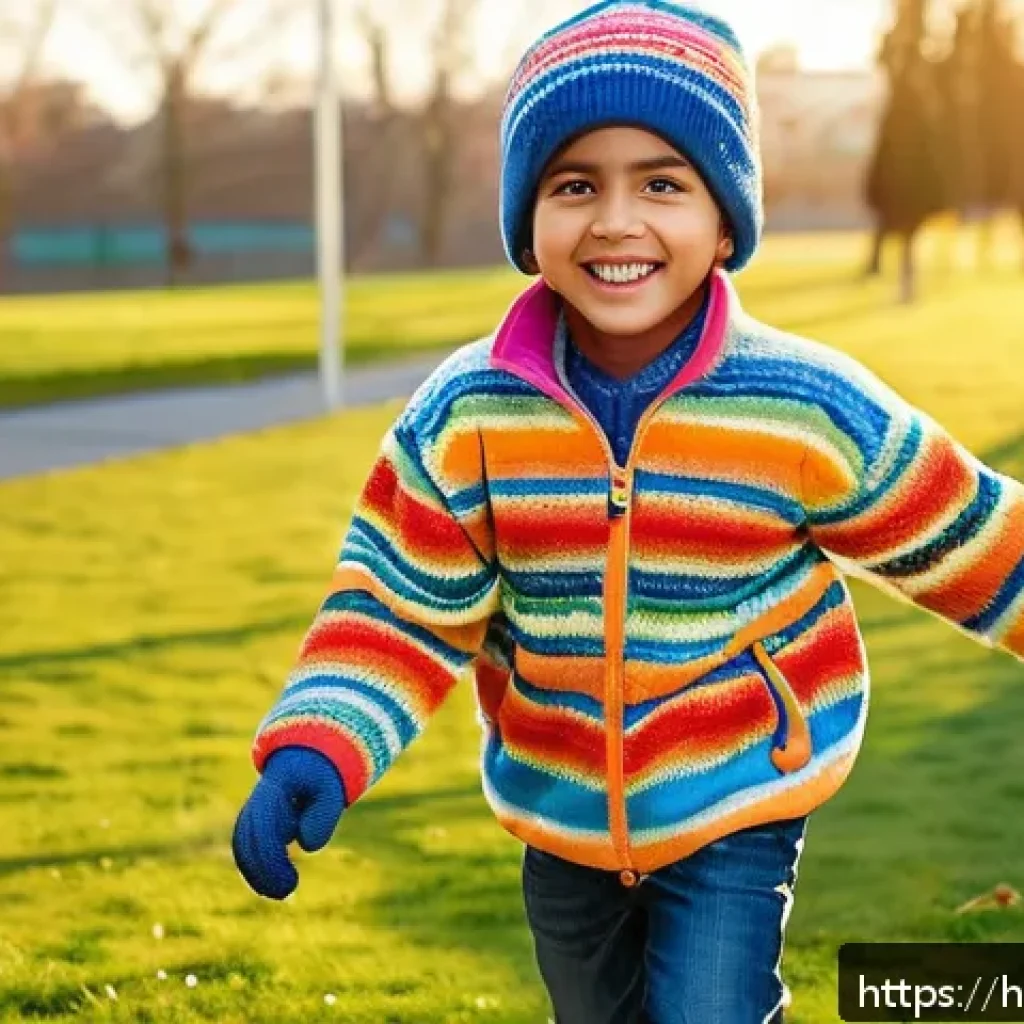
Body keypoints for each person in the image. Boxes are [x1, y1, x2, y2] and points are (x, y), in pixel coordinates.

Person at [232, 2, 1024, 1021]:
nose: (614, 220)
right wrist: (316, 741)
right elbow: (398, 606)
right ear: (528, 222)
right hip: (558, 808)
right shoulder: (469, 415)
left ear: (723, 217)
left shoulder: (801, 404)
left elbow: (968, 532)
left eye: (661, 182)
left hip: (736, 791)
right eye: (574, 185)